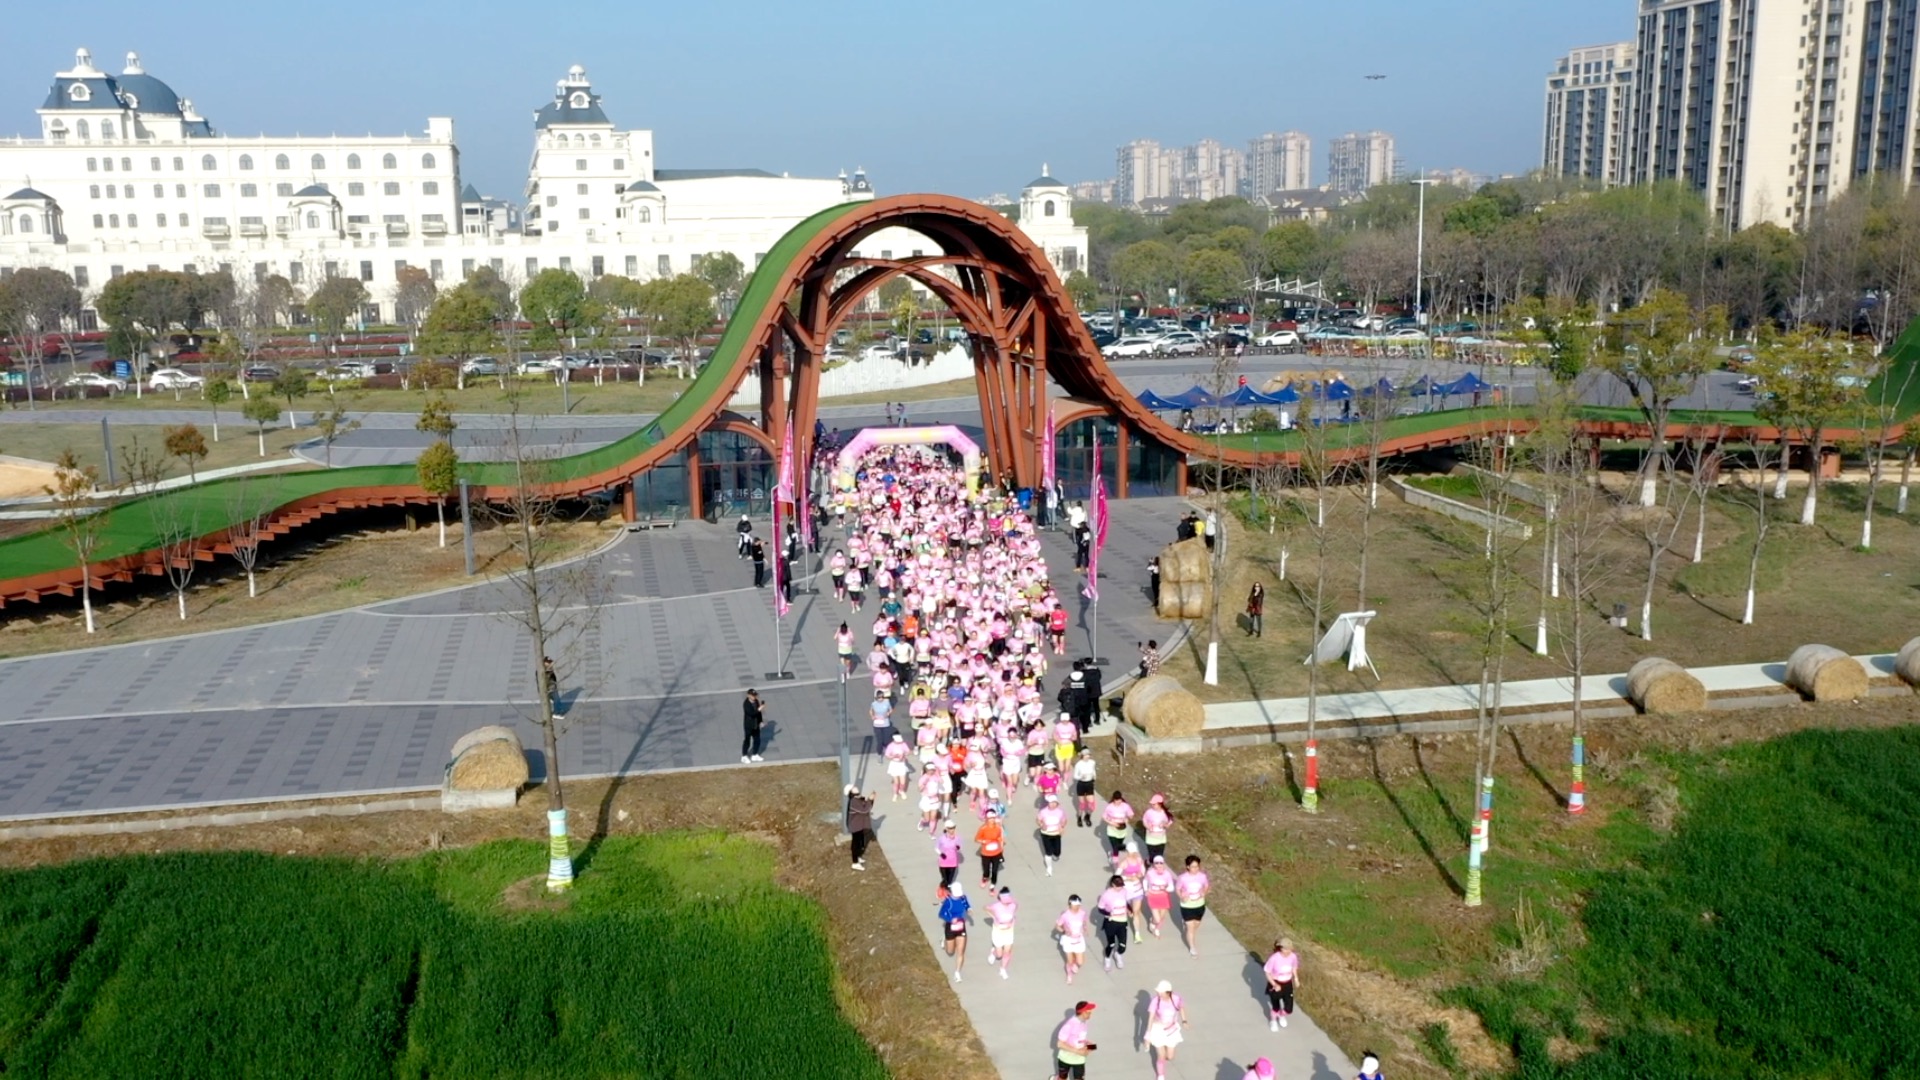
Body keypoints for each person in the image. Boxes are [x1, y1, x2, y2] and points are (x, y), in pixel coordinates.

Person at [1144, 980, 1188, 1079]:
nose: (1158, 993)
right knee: (1161, 1055)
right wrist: (1148, 1035)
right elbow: (1151, 1017)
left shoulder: (1176, 999)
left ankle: (1165, 1055)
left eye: (1161, 992)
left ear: (1168, 992)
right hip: (1158, 1030)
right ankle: (1160, 1075)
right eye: (1158, 991)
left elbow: (1181, 1007)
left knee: (1170, 1057)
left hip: (1172, 1030)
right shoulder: (1155, 1001)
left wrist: (1184, 1021)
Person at [1176, 854, 1211, 956]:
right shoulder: (1182, 878)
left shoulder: (1202, 876)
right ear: (1188, 867)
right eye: (1193, 867)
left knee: (1196, 925)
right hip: (1187, 905)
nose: (1195, 869)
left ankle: (1188, 931)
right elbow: (1177, 889)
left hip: (1199, 904)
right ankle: (1192, 947)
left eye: (1197, 866)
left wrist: (1204, 892)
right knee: (1190, 927)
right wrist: (1181, 897)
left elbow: (1206, 885)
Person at [1054, 1001, 1097, 1080]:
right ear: (1082, 1012)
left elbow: (1079, 1039)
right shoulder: (1069, 1025)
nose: (1090, 1014)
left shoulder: (1084, 1023)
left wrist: (1090, 1046)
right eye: (1088, 1012)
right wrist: (1078, 1051)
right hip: (1065, 1058)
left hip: (1079, 1060)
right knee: (1062, 1078)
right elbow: (1059, 1044)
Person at [1263, 937, 1300, 1030]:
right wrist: (1274, 984)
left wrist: (1296, 978)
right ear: (1281, 948)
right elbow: (1267, 972)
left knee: (1289, 1009)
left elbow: (1294, 967)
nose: (1288, 951)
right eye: (1285, 949)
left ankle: (1281, 1015)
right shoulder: (1274, 958)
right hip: (1276, 983)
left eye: (1290, 949)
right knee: (1276, 1006)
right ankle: (1273, 1021)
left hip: (1287, 984)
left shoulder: (1293, 956)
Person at [936, 880, 970, 981]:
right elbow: (941, 914)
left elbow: (966, 904)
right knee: (950, 951)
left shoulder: (963, 898)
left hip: (961, 927)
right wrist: (951, 919)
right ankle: (944, 939)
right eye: (957, 895)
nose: (959, 896)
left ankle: (957, 973)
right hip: (950, 927)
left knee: (960, 951)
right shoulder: (948, 901)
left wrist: (969, 909)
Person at [1096, 873, 1130, 970]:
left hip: (1122, 921)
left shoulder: (1124, 891)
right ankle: (1107, 959)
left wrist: (1130, 910)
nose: (1120, 888)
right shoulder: (1106, 895)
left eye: (1121, 886)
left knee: (1123, 946)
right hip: (1111, 922)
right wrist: (1108, 913)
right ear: (1113, 885)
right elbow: (1100, 908)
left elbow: (1126, 902)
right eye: (1118, 886)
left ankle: (1118, 954)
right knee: (1111, 944)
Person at [1055, 896, 1089, 984]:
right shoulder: (1065, 915)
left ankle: (1075, 963)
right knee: (1069, 961)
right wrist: (1064, 931)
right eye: (1075, 905)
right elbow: (1058, 926)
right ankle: (1069, 975)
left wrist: (1085, 929)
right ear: (1070, 904)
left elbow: (1084, 921)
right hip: (1068, 941)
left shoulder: (1082, 913)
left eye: (1079, 905)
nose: (1077, 907)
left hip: (1079, 940)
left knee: (1080, 962)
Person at [987, 885, 1017, 979]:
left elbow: (1014, 912)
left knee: (1007, 952)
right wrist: (993, 917)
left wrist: (1012, 921)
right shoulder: (996, 906)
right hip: (998, 931)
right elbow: (985, 908)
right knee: (999, 955)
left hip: (1009, 931)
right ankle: (993, 952)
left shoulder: (1013, 905)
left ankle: (1002, 969)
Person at [1143, 854, 1176, 938]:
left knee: (1161, 917)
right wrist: (1146, 890)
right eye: (1156, 863)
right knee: (1158, 919)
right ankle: (1153, 923)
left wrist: (1165, 888)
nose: (1159, 865)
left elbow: (1171, 887)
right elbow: (1145, 881)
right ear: (1154, 864)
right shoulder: (1150, 873)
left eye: (1161, 863)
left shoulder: (1167, 874)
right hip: (1152, 896)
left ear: (1163, 863)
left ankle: (1156, 927)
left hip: (1164, 897)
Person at [1100, 790, 1135, 864]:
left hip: (1122, 829)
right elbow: (1104, 817)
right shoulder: (1110, 807)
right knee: (1115, 845)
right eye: (1116, 800)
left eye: (1119, 800)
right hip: (1112, 829)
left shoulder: (1125, 806)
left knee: (1119, 845)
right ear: (1114, 799)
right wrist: (1111, 823)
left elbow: (1131, 815)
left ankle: (1113, 853)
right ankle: (1115, 860)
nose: (1118, 802)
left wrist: (1127, 818)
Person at [1036, 791, 1067, 875]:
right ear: (1048, 803)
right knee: (1048, 852)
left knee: (1057, 852)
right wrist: (1041, 825)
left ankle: (1055, 854)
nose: (1053, 804)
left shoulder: (1060, 812)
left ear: (1057, 803)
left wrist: (1062, 827)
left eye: (1054, 803)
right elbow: (1038, 820)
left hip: (1056, 834)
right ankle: (1049, 867)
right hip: (1046, 834)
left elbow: (1064, 820)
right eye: (1051, 803)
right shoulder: (1043, 812)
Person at [844, 785, 873, 871]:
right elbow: (864, 810)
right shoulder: (853, 801)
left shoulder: (858, 799)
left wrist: (870, 800)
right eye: (853, 788)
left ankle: (858, 856)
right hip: (855, 826)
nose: (856, 787)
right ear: (851, 792)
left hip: (859, 825)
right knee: (856, 844)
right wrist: (870, 800)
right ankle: (855, 863)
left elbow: (866, 807)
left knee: (860, 842)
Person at [975, 808, 1005, 888]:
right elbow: (976, 839)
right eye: (990, 818)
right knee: (986, 870)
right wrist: (984, 841)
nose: (992, 820)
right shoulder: (983, 828)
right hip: (986, 854)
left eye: (993, 818)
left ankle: (993, 884)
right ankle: (985, 878)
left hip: (996, 853)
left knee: (995, 870)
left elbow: (1001, 839)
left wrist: (1001, 850)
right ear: (987, 819)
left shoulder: (998, 828)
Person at [934, 818, 963, 895]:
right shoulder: (941, 838)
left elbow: (959, 846)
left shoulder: (957, 838)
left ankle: (948, 891)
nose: (952, 830)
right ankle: (941, 888)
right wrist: (941, 853)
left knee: (950, 880)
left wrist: (958, 847)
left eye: (953, 828)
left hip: (953, 862)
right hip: (943, 862)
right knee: (945, 879)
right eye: (950, 828)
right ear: (946, 828)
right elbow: (936, 848)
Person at [1141, 792, 1171, 864]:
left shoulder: (1164, 813)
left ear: (1160, 804)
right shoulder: (1149, 812)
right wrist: (1148, 826)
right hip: (1151, 839)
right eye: (1152, 804)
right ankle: (1148, 861)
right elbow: (1144, 820)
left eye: (1154, 804)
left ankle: (1156, 868)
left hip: (1161, 839)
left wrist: (1164, 825)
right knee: (1152, 856)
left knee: (1159, 857)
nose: (1152, 805)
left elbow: (1169, 822)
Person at [1071, 751, 1099, 828]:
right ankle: (1079, 817)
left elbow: (1093, 770)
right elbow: (1075, 776)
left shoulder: (1092, 762)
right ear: (1082, 756)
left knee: (1091, 805)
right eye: (1085, 755)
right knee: (1082, 804)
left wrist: (1094, 776)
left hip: (1089, 783)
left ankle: (1087, 816)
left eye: (1088, 755)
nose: (1087, 756)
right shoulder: (1078, 764)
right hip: (1081, 784)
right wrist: (1081, 777)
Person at [884, 732, 912, 801]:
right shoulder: (890, 746)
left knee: (903, 781)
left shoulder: (903, 744)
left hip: (901, 764)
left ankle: (901, 791)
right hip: (894, 764)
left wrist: (904, 755)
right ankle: (895, 794)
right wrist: (893, 756)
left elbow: (908, 751)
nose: (899, 742)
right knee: (896, 782)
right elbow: (887, 755)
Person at [740, 689, 765, 763]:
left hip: (756, 724)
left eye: (755, 695)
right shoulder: (746, 704)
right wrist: (759, 709)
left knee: (757, 739)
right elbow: (751, 713)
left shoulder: (756, 701)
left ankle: (755, 754)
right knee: (747, 740)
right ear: (748, 695)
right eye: (753, 695)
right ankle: (744, 756)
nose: (754, 697)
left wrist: (760, 721)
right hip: (749, 725)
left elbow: (759, 713)